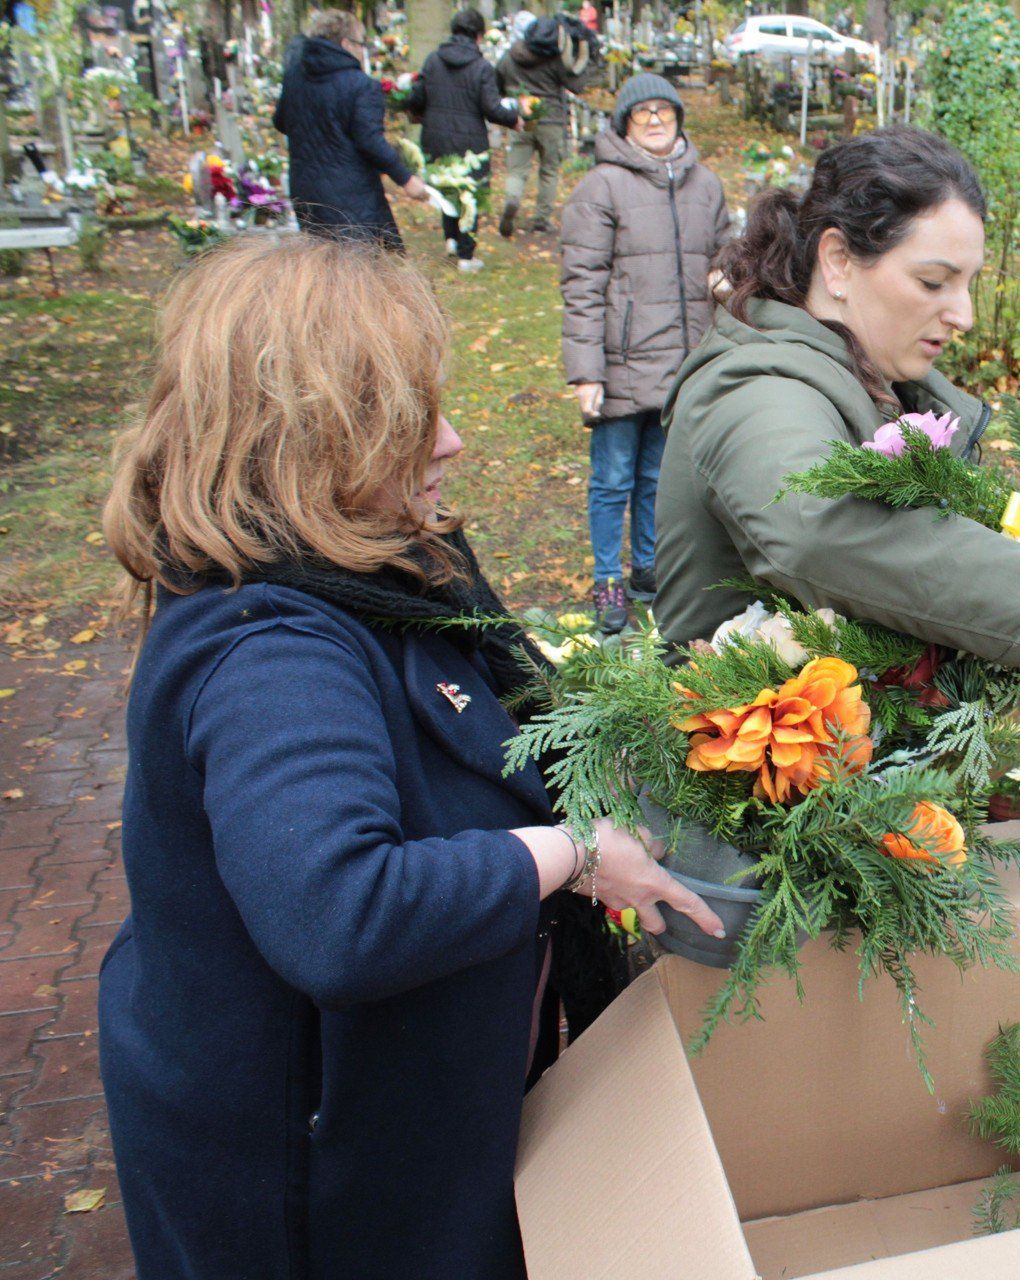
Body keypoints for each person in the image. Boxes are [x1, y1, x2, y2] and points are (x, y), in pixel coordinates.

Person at [96, 234, 723, 1280]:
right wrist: (569, 852)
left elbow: (480, 729)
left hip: (386, 1116)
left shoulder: (372, 572)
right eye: (408, 418)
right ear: (307, 443)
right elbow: (338, 911)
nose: (453, 440)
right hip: (310, 1175)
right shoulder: (272, 654)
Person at [653, 126, 1020, 684]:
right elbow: (813, 525)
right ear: (838, 261)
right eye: (933, 282)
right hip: (748, 755)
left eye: (969, 283)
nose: (963, 315)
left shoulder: (876, 380)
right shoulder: (755, 386)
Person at [561, 73, 731, 633]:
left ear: (679, 118)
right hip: (620, 360)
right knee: (612, 480)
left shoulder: (706, 185)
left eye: (665, 110)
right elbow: (582, 283)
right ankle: (607, 581)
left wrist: (727, 273)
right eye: (643, 113)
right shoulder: (601, 187)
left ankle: (648, 571)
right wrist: (586, 371)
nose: (656, 119)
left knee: (660, 478)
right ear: (624, 123)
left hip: (682, 362)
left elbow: (729, 252)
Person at [274, 9, 429, 251]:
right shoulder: (361, 86)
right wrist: (406, 179)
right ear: (346, 44)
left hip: (306, 191)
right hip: (350, 195)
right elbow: (370, 141)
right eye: (361, 43)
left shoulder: (294, 76)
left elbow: (281, 121)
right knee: (360, 272)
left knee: (319, 264)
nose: (362, 50)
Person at [409, 7, 521, 271]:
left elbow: (417, 97)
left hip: (436, 137)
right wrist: (514, 118)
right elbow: (492, 108)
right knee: (470, 195)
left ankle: (450, 240)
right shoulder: (481, 67)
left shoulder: (433, 60)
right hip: (470, 141)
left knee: (448, 189)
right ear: (479, 35)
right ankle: (466, 255)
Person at [495, 12, 598, 237]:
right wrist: (590, 62)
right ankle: (541, 220)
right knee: (549, 171)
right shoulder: (555, 59)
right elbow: (576, 85)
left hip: (520, 120)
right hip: (551, 121)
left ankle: (512, 200)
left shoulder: (510, 55)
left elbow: (497, 82)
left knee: (516, 170)